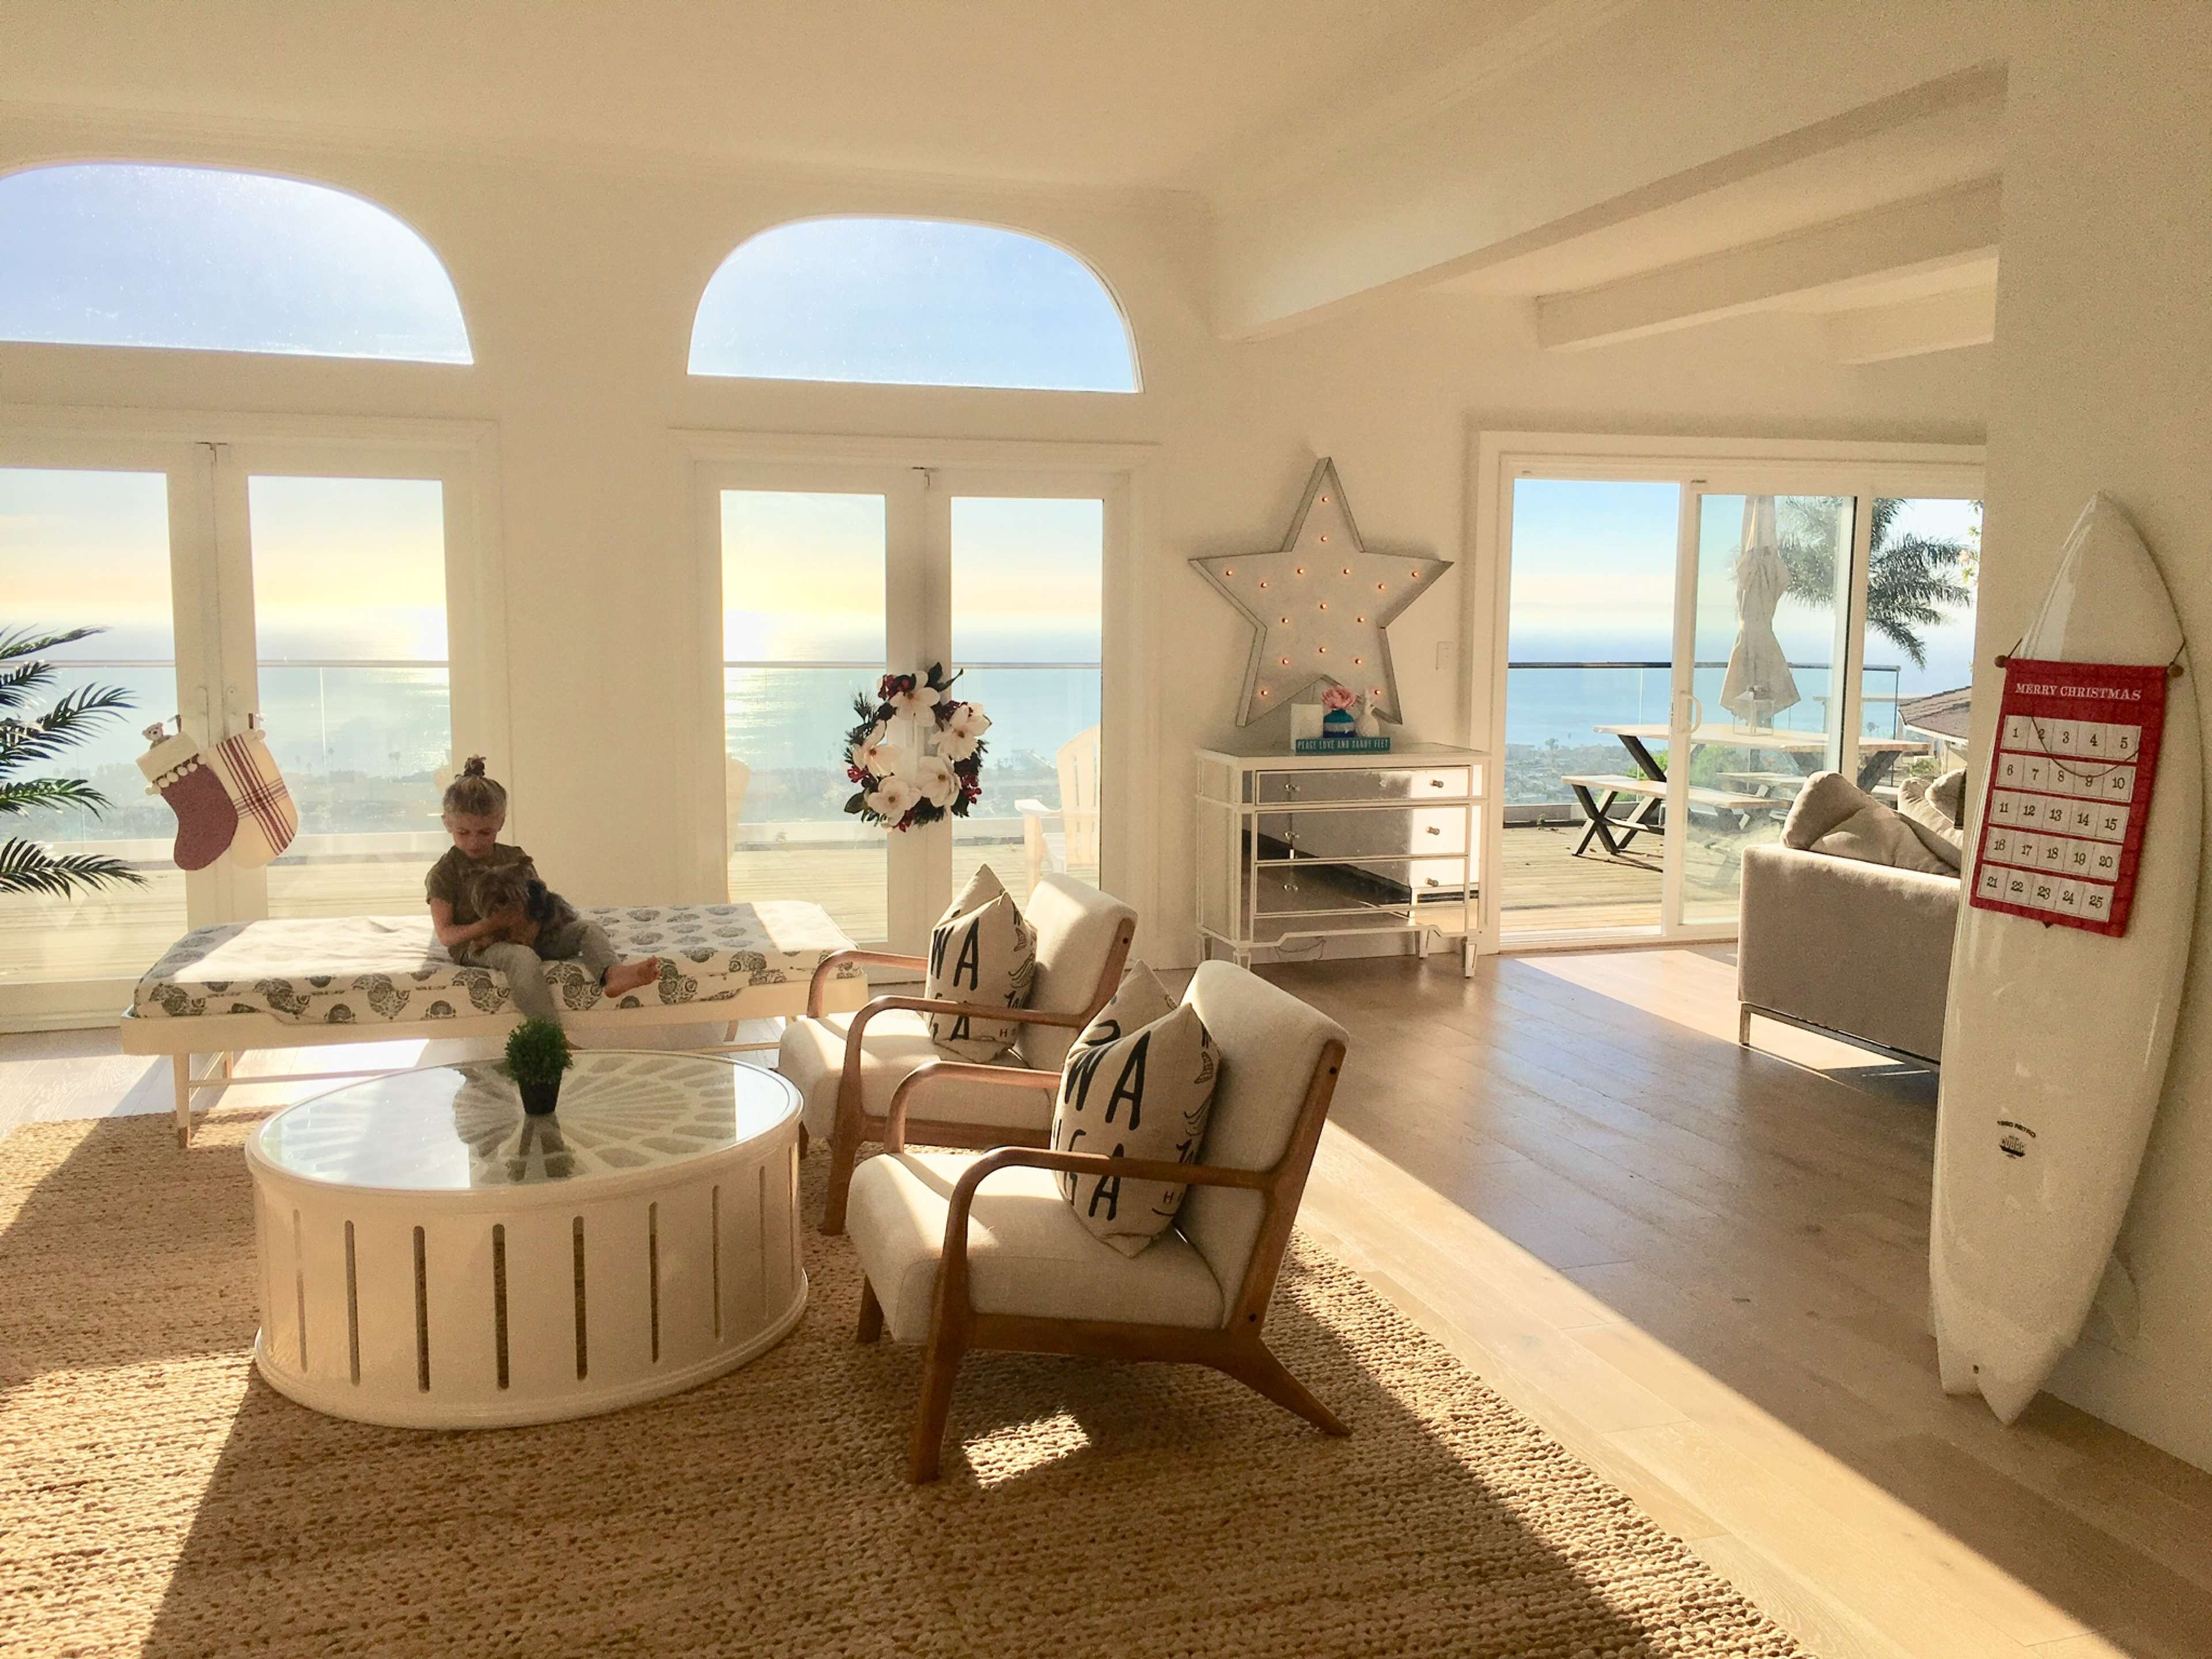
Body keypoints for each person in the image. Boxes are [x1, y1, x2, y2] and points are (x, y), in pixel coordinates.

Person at [425, 757, 658, 1025]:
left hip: (530, 934)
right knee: (521, 957)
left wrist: (530, 930)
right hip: (478, 945)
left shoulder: (515, 857)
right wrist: (493, 924)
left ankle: (612, 974)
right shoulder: (444, 873)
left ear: (501, 822)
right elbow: (447, 936)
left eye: (485, 832)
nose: (474, 842)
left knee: (588, 929)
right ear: (447, 824)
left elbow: (539, 904)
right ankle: (549, 1035)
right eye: (463, 833)